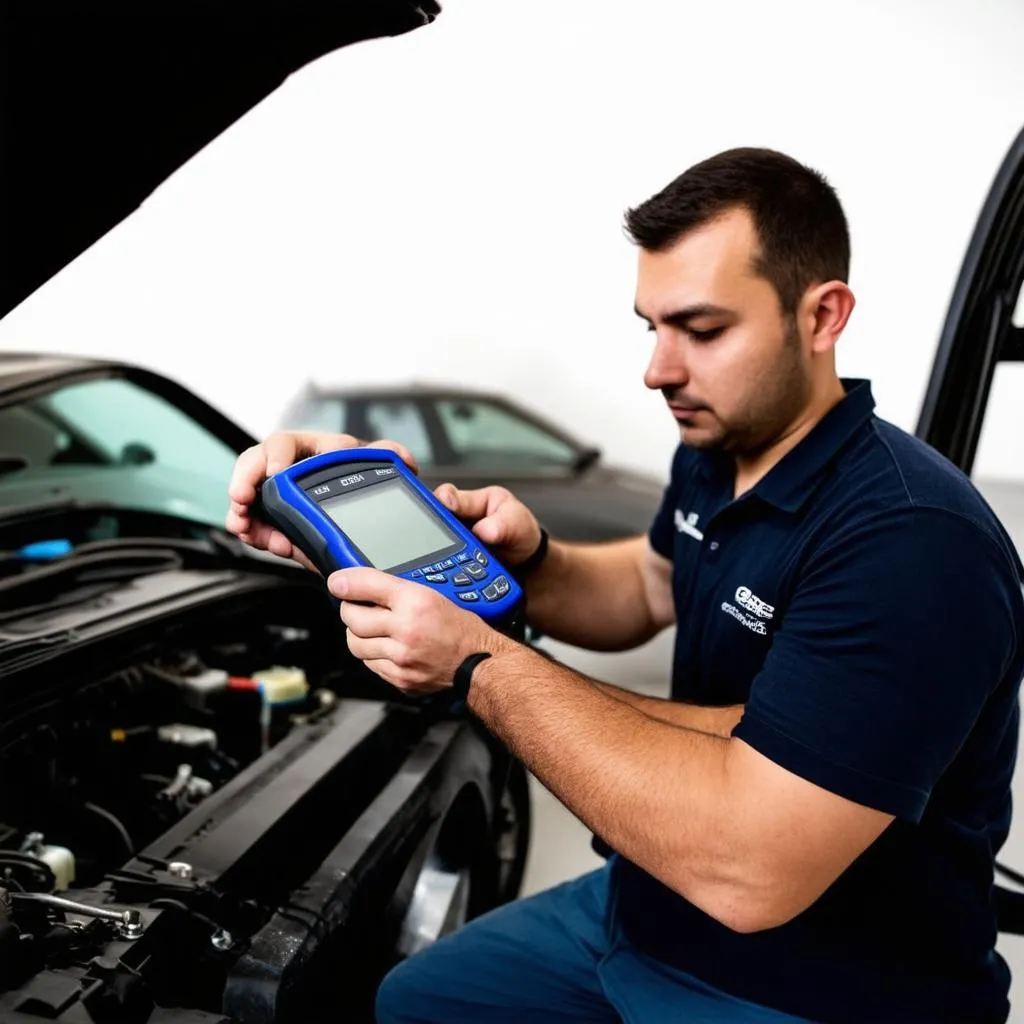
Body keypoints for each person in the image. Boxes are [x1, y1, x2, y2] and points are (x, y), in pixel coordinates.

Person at [226, 148, 1024, 1024]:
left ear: (822, 316)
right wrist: (531, 560)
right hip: (642, 909)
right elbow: (648, 587)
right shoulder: (715, 455)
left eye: (702, 330)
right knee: (416, 1002)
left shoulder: (912, 542)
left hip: (817, 989)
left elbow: (747, 868)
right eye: (652, 327)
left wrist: (474, 665)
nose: (658, 369)